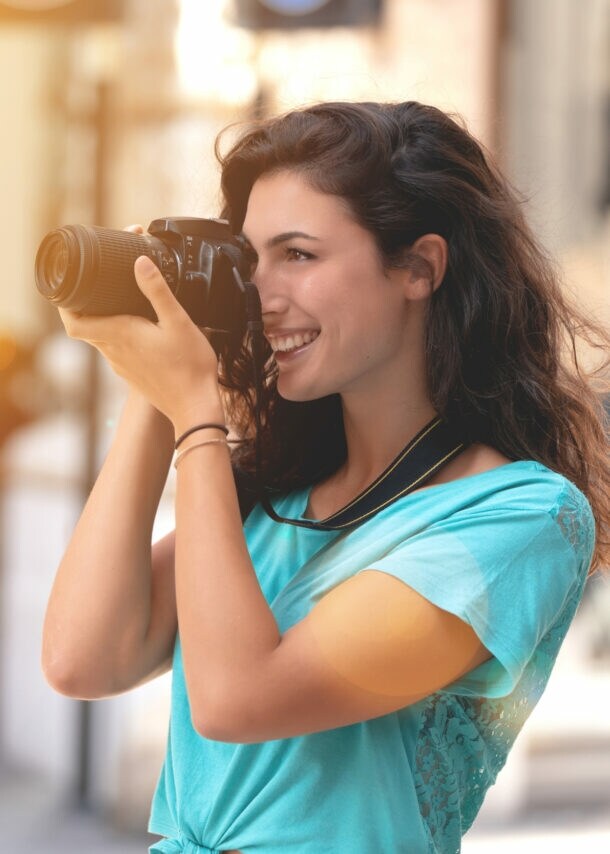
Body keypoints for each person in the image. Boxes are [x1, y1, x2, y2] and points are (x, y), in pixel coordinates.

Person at [42, 101, 609, 854]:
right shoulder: (279, 502)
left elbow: (237, 698)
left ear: (419, 267)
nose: (261, 296)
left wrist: (196, 416)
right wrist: (157, 388)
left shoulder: (522, 516)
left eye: (299, 256)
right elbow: (84, 658)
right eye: (249, 262)